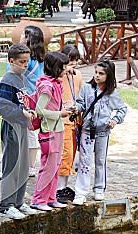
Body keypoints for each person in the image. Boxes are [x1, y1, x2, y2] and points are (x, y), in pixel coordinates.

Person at [72, 60, 127, 205]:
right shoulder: (86, 88)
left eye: (101, 73)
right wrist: (76, 108)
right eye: (96, 72)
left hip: (103, 132)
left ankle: (99, 189)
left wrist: (115, 120)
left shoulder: (112, 93)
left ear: (108, 76)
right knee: (85, 161)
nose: (97, 76)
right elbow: (81, 103)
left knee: (100, 161)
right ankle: (81, 192)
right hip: (87, 130)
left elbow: (122, 108)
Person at [0, 43, 38, 220]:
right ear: (11, 61)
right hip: (11, 127)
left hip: (22, 126)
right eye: (21, 62)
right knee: (12, 166)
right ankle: (6, 205)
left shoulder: (21, 79)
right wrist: (21, 112)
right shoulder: (8, 80)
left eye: (27, 61)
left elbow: (23, 102)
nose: (25, 65)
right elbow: (2, 107)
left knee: (23, 167)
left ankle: (19, 202)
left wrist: (29, 111)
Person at [30, 52, 72, 211]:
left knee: (56, 165)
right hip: (50, 131)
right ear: (56, 67)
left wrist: (65, 108)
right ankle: (38, 200)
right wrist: (59, 114)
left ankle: (51, 197)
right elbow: (39, 110)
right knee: (48, 166)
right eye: (64, 66)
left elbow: (52, 106)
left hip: (58, 129)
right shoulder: (47, 85)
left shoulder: (55, 83)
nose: (66, 69)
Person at [56, 44, 83, 204]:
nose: (73, 65)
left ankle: (64, 186)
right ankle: (59, 188)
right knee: (64, 154)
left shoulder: (77, 76)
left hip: (74, 119)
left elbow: (79, 95)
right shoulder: (58, 77)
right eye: (70, 62)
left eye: (75, 61)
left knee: (71, 154)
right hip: (62, 119)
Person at [20, 26, 45, 178]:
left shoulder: (27, 61)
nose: (20, 35)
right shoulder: (41, 59)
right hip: (37, 99)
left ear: (29, 39)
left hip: (27, 99)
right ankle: (30, 165)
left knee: (27, 133)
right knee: (30, 133)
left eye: (24, 34)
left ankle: (29, 166)